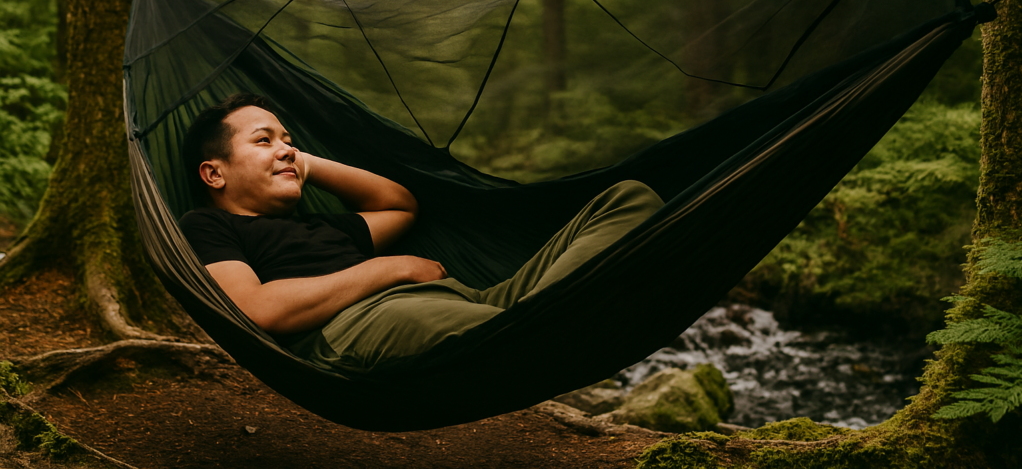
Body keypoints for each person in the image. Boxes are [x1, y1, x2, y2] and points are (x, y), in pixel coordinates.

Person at [179, 93, 664, 373]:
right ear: (214, 174)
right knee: (510, 340)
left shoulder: (321, 225)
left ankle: (546, 325)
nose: (285, 148)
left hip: (471, 302)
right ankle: (549, 332)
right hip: (352, 327)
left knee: (630, 197)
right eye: (263, 140)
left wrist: (301, 159)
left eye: (289, 140)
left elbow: (399, 204)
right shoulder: (209, 224)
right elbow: (257, 310)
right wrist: (393, 268)